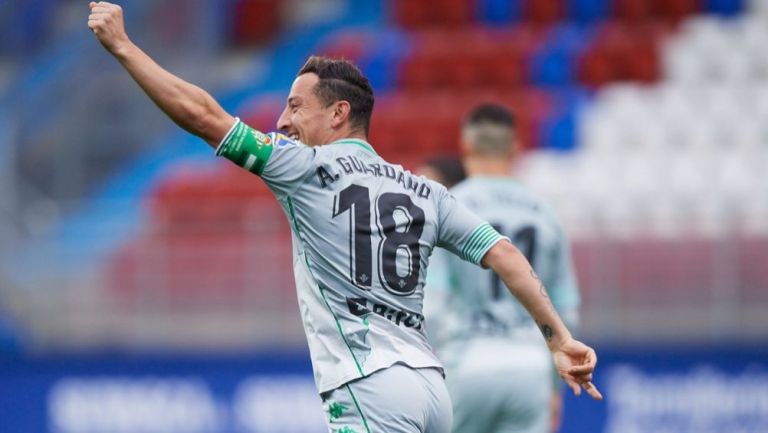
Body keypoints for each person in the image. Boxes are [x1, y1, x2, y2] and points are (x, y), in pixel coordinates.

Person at [87, 3, 601, 432]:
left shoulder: (302, 168)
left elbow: (204, 116)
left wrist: (124, 48)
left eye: (295, 107)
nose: (282, 122)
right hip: (431, 389)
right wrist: (558, 339)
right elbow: (505, 254)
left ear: (337, 115)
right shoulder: (425, 190)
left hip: (368, 383)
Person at [423, 104, 581, 433]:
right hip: (529, 366)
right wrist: (553, 385)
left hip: (466, 361)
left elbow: (433, 307)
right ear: (515, 149)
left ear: (465, 146)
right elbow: (567, 310)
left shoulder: (449, 206)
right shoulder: (545, 213)